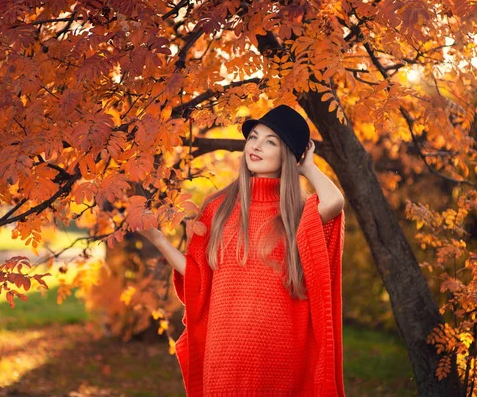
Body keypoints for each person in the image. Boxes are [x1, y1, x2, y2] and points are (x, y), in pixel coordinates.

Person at [138, 104, 346, 397]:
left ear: (287, 155)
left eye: (270, 141)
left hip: (279, 353)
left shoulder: (298, 213)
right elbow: (198, 277)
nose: (256, 146)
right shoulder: (217, 207)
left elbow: (335, 202)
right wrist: (158, 239)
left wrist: (308, 167)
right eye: (254, 138)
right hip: (224, 351)